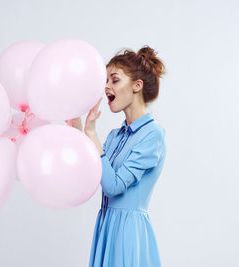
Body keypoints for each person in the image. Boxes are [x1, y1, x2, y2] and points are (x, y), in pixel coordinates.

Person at [69, 45, 166, 267]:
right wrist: (78, 128)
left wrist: (92, 133)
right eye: (105, 81)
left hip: (128, 232)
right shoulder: (115, 136)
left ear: (137, 86)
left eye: (114, 80)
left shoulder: (153, 134)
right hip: (106, 225)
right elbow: (94, 176)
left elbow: (114, 187)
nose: (106, 87)